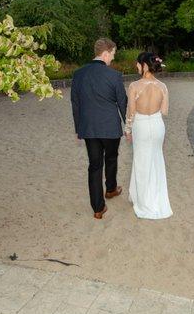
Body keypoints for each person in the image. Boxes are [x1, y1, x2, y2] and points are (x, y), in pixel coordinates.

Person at [70, 38, 127, 219]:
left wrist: (79, 128)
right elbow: (122, 103)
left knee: (94, 165)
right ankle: (110, 189)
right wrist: (129, 125)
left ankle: (98, 208)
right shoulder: (114, 76)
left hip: (89, 128)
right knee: (111, 157)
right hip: (110, 127)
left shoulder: (78, 74)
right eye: (112, 55)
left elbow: (75, 103)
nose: (113, 59)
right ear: (105, 53)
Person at [124, 52, 173, 219]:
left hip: (142, 126)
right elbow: (165, 111)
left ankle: (144, 202)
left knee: (141, 162)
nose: (136, 66)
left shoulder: (134, 86)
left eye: (138, 64)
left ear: (144, 65)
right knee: (156, 160)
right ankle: (156, 197)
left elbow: (131, 111)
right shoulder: (163, 87)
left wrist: (128, 129)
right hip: (158, 125)